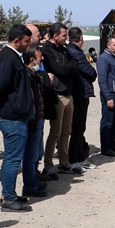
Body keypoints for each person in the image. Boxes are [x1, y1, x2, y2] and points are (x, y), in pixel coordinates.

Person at [0, 24, 35, 212]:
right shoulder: (8, 58)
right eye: (26, 41)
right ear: (16, 41)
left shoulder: (14, 57)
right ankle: (8, 198)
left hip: (17, 115)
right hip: (12, 117)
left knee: (14, 157)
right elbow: (1, 88)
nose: (28, 45)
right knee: (13, 159)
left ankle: (10, 194)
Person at [40, 23, 83, 176]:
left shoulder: (64, 50)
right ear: (55, 35)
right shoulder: (46, 50)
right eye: (64, 35)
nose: (66, 38)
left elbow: (74, 65)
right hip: (57, 95)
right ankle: (49, 165)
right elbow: (58, 70)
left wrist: (66, 69)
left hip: (68, 94)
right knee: (55, 132)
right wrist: (66, 69)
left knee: (66, 131)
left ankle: (64, 162)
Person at [65, 26, 98, 169]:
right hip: (79, 93)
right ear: (81, 39)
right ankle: (75, 158)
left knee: (77, 127)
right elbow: (91, 72)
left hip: (77, 92)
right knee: (78, 127)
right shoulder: (75, 52)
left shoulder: (69, 50)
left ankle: (79, 154)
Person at [21, 45, 47, 198]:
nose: (41, 59)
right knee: (30, 156)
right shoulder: (28, 76)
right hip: (33, 120)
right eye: (39, 57)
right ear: (32, 59)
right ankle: (30, 186)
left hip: (38, 118)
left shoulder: (34, 74)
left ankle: (33, 181)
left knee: (35, 154)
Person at [97, 35, 115, 157]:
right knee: (107, 122)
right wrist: (108, 97)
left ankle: (112, 144)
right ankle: (105, 147)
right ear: (108, 45)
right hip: (110, 95)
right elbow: (102, 80)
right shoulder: (104, 59)